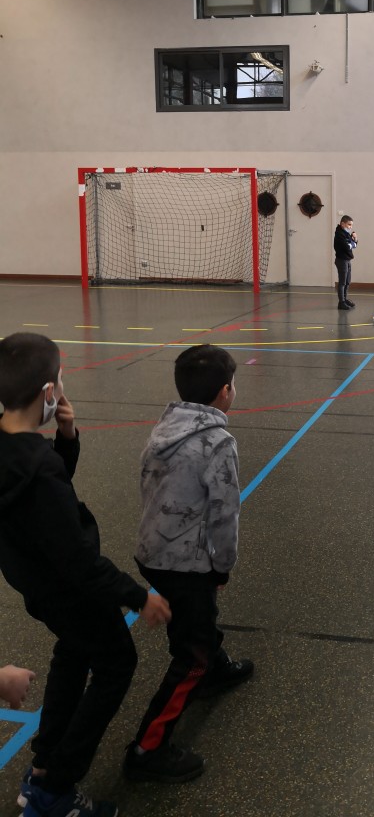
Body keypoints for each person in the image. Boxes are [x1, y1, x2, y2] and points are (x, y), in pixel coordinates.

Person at [0, 332, 171, 817]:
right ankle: (55, 786)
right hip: (73, 589)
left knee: (74, 653)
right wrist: (137, 596)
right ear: (48, 393)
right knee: (116, 663)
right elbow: (77, 558)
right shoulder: (38, 468)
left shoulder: (15, 453)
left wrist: (66, 438)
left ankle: (42, 766)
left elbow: (40, 499)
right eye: (59, 381)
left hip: (40, 587)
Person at [123, 344, 253, 785]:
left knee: (197, 617)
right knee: (190, 654)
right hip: (187, 564)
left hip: (152, 554)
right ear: (225, 392)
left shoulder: (165, 426)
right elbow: (224, 512)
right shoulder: (219, 442)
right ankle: (148, 749)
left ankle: (214, 669)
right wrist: (222, 565)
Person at [334, 214, 358, 310]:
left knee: (347, 281)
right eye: (349, 224)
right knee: (342, 282)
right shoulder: (339, 234)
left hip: (347, 260)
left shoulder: (346, 234)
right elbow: (347, 247)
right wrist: (352, 243)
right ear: (342, 224)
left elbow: (354, 245)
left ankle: (345, 299)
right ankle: (341, 302)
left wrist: (355, 239)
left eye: (351, 225)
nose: (350, 227)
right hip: (341, 260)